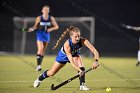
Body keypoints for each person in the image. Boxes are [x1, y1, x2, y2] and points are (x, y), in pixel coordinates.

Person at [33, 26, 99, 90]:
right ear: (71, 36)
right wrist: (80, 70)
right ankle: (39, 78)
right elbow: (72, 63)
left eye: (78, 36)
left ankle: (82, 85)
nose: (77, 38)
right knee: (51, 73)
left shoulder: (83, 41)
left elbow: (95, 51)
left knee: (81, 65)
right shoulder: (67, 45)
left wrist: (96, 61)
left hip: (75, 55)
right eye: (75, 37)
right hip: (63, 56)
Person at [28, 5, 59, 71]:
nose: (45, 11)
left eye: (47, 10)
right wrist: (32, 29)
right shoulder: (39, 18)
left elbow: (56, 26)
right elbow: (35, 26)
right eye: (44, 10)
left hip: (46, 35)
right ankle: (38, 66)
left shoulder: (51, 18)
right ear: (42, 11)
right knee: (40, 48)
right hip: (39, 34)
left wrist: (51, 29)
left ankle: (39, 65)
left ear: (48, 11)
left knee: (43, 51)